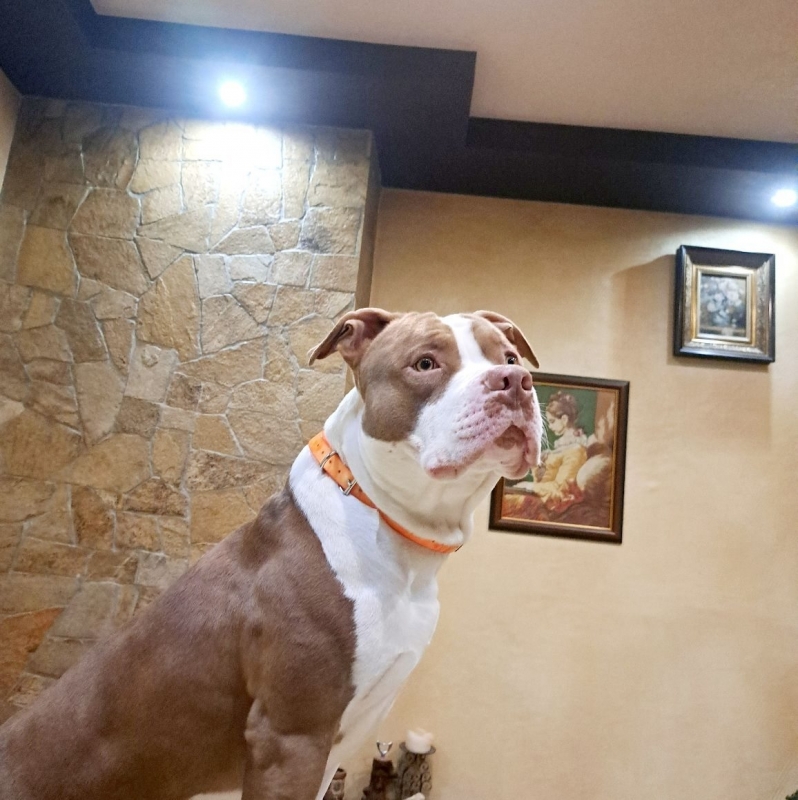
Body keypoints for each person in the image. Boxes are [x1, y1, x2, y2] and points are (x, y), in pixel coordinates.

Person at [513, 390, 588, 510]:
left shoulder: (576, 451)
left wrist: (529, 486)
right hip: (539, 496)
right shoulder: (562, 447)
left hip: (552, 503)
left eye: (552, 421)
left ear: (564, 419)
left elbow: (561, 489)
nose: (549, 426)